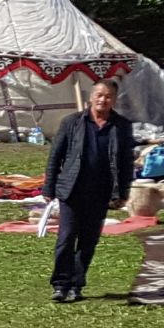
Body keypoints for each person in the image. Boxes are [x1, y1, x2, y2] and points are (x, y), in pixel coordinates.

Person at [45, 78, 134, 303]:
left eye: (108, 96)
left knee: (88, 241)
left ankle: (76, 285)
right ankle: (60, 284)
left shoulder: (121, 126)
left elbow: (126, 162)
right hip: (72, 190)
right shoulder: (72, 122)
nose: (103, 100)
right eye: (99, 95)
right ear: (91, 97)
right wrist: (49, 187)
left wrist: (123, 193)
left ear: (114, 100)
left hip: (101, 192)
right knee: (66, 238)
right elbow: (55, 156)